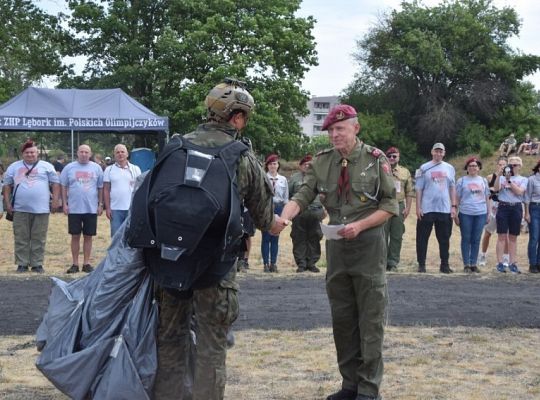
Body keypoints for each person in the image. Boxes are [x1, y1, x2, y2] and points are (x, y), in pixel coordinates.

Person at [150, 78, 287, 400]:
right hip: (216, 267)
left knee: (170, 339)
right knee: (212, 347)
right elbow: (265, 217)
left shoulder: (175, 147)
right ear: (236, 117)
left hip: (169, 263)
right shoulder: (241, 156)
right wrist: (276, 224)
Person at [275, 104, 398, 400]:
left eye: (339, 129)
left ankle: (368, 390)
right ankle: (350, 384)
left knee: (369, 320)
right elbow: (303, 195)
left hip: (368, 248)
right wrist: (285, 216)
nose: (334, 135)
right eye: (330, 131)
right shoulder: (322, 162)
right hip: (337, 248)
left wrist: (361, 226)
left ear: (355, 128)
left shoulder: (375, 160)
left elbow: (390, 206)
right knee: (342, 319)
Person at [2, 139, 60, 273]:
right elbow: (6, 186)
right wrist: (7, 203)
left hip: (41, 208)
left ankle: (37, 263)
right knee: (21, 237)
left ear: (37, 153)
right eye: (27, 152)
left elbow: (55, 184)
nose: (30, 155)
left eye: (33, 152)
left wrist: (56, 200)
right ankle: (22, 263)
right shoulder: (14, 167)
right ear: (23, 154)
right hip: (20, 208)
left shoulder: (46, 166)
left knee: (38, 237)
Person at [60, 144, 104, 274]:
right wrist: (64, 204)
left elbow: (100, 187)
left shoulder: (97, 168)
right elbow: (63, 185)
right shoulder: (69, 168)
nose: (84, 154)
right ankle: (74, 264)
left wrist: (100, 204)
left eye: (86, 152)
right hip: (74, 208)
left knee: (88, 236)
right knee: (75, 236)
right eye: (81, 152)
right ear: (77, 153)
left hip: (91, 208)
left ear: (90, 154)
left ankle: (86, 263)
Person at [415, 142, 457, 273]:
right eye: (436, 151)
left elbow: (452, 187)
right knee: (422, 238)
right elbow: (418, 189)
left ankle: (444, 265)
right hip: (427, 208)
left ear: (444, 153)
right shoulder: (424, 168)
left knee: (444, 238)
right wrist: (418, 207)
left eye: (441, 151)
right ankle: (421, 264)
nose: (438, 153)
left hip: (444, 209)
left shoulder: (449, 168)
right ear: (432, 152)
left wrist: (454, 206)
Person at [288, 154, 325, 273]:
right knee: (299, 238)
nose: (307, 166)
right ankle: (301, 263)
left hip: (315, 211)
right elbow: (289, 195)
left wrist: (324, 210)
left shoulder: (320, 178)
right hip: (300, 213)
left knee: (315, 237)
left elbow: (326, 194)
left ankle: (312, 263)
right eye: (305, 164)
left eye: (310, 164)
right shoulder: (294, 178)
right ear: (300, 166)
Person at [454, 157, 490, 273]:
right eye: (470, 166)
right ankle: (466, 264)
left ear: (479, 168)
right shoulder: (462, 181)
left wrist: (488, 213)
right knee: (466, 238)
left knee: (476, 239)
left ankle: (474, 263)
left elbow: (487, 198)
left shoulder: (483, 181)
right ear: (467, 168)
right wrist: (455, 213)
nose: (473, 168)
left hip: (480, 213)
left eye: (475, 166)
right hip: (466, 213)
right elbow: (457, 198)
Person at [493, 156, 527, 273]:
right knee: (501, 236)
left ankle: (513, 263)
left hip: (516, 207)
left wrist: (509, 181)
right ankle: (500, 263)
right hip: (503, 206)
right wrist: (499, 175)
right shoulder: (501, 178)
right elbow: (496, 189)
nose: (513, 167)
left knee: (513, 237)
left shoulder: (523, 179)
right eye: (511, 165)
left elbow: (519, 192)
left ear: (520, 166)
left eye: (515, 165)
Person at [383, 146, 414, 271]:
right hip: (384, 204)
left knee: (397, 235)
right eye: (389, 156)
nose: (391, 158)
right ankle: (382, 261)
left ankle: (393, 262)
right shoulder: (381, 170)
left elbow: (409, 192)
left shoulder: (405, 172)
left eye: (394, 156)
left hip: (399, 204)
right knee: (382, 235)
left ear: (398, 157)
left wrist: (407, 209)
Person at [103, 144, 142, 237]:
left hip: (132, 209)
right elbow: (106, 190)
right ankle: (116, 252)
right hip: (115, 210)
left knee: (131, 237)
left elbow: (140, 189)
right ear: (114, 155)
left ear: (127, 154)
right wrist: (108, 208)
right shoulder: (109, 170)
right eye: (117, 152)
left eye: (122, 152)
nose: (120, 154)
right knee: (116, 237)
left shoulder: (136, 169)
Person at [477, 157, 509, 267]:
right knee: (487, 233)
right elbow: (487, 194)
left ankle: (505, 257)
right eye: (500, 164)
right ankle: (483, 255)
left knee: (505, 235)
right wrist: (488, 210)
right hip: (493, 207)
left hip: (506, 207)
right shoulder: (490, 177)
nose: (502, 166)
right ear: (497, 165)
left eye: (504, 165)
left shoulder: (510, 178)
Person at [260, 153, 288, 272]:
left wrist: (285, 213)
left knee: (275, 237)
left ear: (278, 165)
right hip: (266, 208)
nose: (273, 166)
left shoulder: (283, 179)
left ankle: (273, 263)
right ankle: (266, 264)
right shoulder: (262, 177)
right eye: (270, 164)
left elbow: (286, 197)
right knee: (266, 237)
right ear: (267, 166)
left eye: (275, 164)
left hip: (278, 207)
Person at [524, 160, 540, 273]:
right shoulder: (531, 179)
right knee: (534, 237)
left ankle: (539, 263)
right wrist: (527, 213)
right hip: (534, 208)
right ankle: (532, 264)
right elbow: (527, 198)